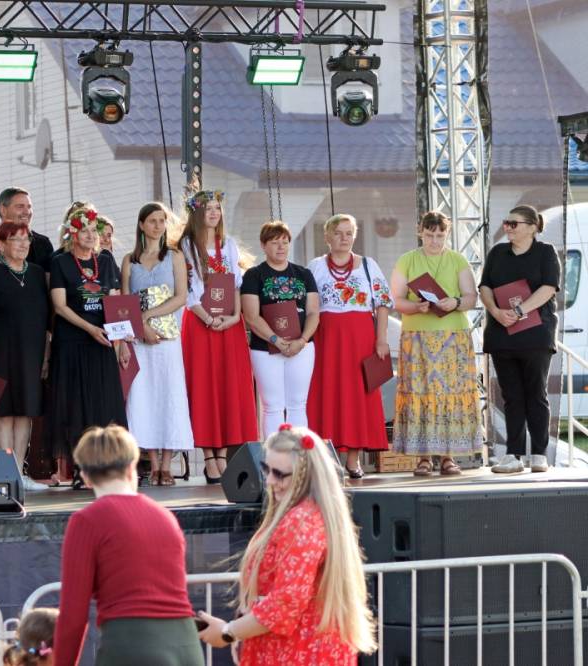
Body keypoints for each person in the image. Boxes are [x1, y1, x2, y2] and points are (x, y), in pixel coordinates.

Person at [198, 425, 377, 664]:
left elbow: (285, 604)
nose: (270, 481)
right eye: (267, 470)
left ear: (305, 475)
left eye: (280, 474)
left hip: (297, 652)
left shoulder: (302, 520)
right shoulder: (311, 516)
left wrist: (228, 632)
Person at [53, 426, 204, 666]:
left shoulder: (87, 521)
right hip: (186, 644)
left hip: (131, 643)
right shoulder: (165, 517)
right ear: (132, 467)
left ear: (85, 476)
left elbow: (73, 615)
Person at [390, 211, 482, 476]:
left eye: (440, 235)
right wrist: (416, 307)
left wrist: (455, 302)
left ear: (447, 234)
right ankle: (423, 457)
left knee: (449, 394)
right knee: (420, 393)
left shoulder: (457, 259)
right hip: (417, 337)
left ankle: (449, 456)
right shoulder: (407, 260)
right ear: (420, 232)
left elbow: (471, 297)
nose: (435, 241)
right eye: (430, 235)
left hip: (453, 336)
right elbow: (396, 299)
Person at [178, 188, 258, 483]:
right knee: (205, 385)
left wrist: (235, 316)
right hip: (201, 323)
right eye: (208, 208)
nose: (214, 213)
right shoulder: (188, 245)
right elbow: (189, 289)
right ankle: (209, 456)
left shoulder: (229, 245)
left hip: (229, 324)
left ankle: (223, 454)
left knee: (227, 385)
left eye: (217, 208)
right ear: (197, 213)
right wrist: (208, 318)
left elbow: (235, 284)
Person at [46, 204, 128, 484]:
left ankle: (107, 466)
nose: (91, 236)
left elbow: (116, 300)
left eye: (94, 231)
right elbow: (60, 306)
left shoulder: (105, 260)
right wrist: (90, 328)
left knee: (103, 405)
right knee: (76, 407)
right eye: (85, 231)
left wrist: (121, 335)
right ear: (73, 234)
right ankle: (82, 470)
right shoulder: (61, 262)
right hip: (73, 343)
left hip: (102, 343)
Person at [307, 214, 391, 478]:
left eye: (349, 233)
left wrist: (381, 339)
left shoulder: (368, 265)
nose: (344, 238)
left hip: (360, 339)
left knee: (357, 396)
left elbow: (382, 303)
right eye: (338, 233)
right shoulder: (316, 266)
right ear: (327, 237)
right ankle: (327, 460)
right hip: (327, 338)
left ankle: (353, 460)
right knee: (326, 394)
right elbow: (307, 305)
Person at [479, 204, 561, 474]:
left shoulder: (545, 252)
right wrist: (495, 312)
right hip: (502, 335)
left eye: (513, 224)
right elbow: (485, 287)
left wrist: (518, 311)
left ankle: (539, 454)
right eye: (506, 223)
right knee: (511, 396)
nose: (508, 228)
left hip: (536, 335)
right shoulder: (497, 253)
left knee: (536, 394)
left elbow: (548, 288)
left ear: (532, 227)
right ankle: (513, 455)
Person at [0, 222, 51, 492]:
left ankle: (19, 472)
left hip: (32, 353)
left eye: (26, 239)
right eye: (16, 239)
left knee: (25, 414)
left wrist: (46, 356)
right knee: (4, 414)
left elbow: (47, 320)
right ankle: (5, 474)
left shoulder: (37, 273)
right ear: (1, 245)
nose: (23, 244)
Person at [120, 202, 194, 485]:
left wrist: (147, 316)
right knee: (144, 396)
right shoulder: (130, 260)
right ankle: (152, 463)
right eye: (152, 220)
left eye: (162, 221)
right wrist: (138, 329)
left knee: (169, 394)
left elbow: (181, 297)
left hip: (168, 338)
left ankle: (167, 464)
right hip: (140, 340)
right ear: (142, 224)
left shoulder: (174, 256)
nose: (158, 226)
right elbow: (125, 302)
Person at [241, 221, 320, 436]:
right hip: (265, 348)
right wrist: (275, 339)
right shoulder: (254, 275)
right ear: (263, 245)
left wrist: (302, 340)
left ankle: (299, 452)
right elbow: (251, 316)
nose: (281, 247)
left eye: (285, 242)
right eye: (275, 242)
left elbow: (313, 312)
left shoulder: (304, 274)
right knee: (272, 406)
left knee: (298, 404)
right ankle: (273, 453)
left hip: (301, 347)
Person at [0, 187, 55, 285]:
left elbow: (52, 283)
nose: (27, 212)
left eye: (29, 207)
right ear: (3, 210)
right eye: (20, 206)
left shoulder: (43, 243)